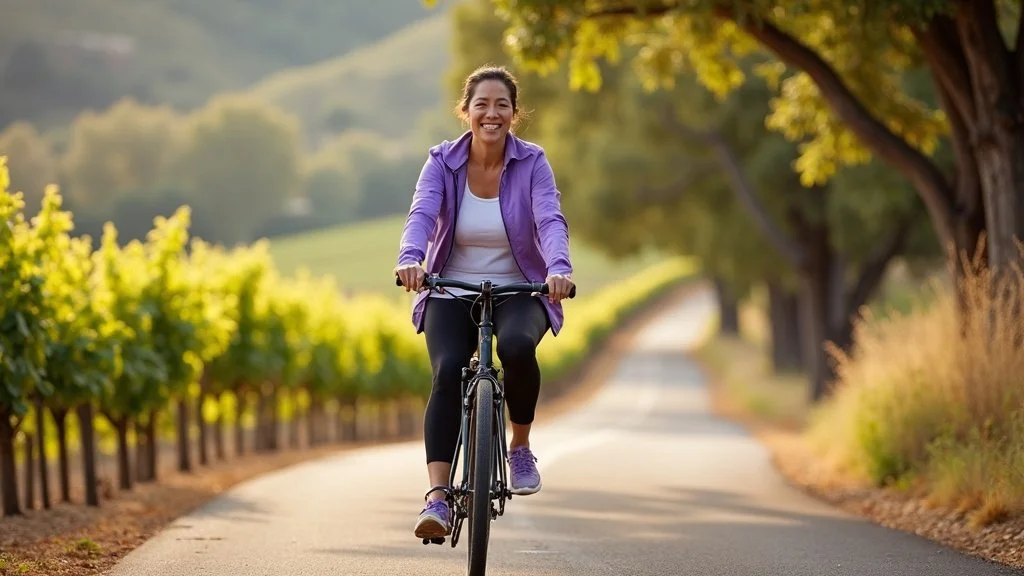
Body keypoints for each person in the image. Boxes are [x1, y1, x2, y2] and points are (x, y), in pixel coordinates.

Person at [393, 65, 575, 540]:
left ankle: (520, 447)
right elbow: (421, 213)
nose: (491, 114)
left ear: (514, 113)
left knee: (516, 346)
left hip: (519, 288)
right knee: (447, 370)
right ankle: (436, 499)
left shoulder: (532, 162)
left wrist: (558, 269)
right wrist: (410, 260)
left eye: (501, 105)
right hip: (450, 287)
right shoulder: (441, 162)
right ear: (466, 111)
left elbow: (549, 218)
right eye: (482, 105)